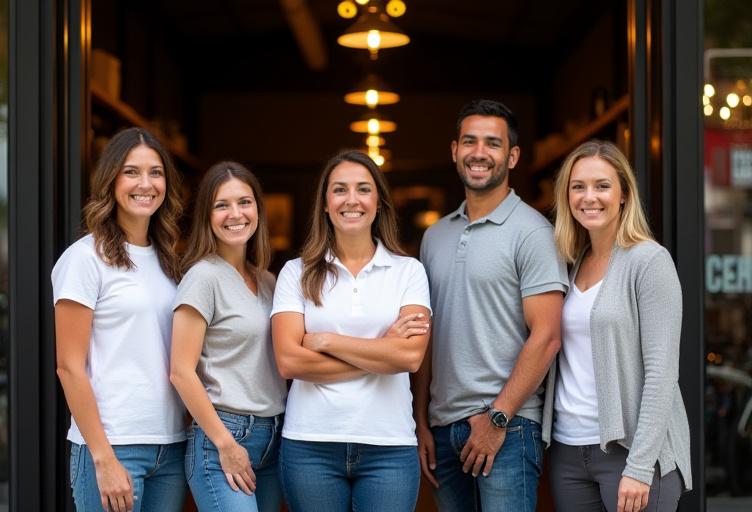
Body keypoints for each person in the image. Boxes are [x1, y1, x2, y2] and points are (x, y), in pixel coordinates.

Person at [413, 99, 569, 512]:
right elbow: (427, 337)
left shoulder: (533, 233)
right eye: (470, 141)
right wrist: (420, 420)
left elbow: (548, 336)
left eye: (492, 144)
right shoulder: (435, 236)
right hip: (442, 429)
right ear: (454, 150)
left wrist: (497, 419)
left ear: (512, 156)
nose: (479, 153)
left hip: (508, 427)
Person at [271, 150, 432, 512]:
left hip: (388, 445)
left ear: (379, 202)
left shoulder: (408, 272)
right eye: (339, 190)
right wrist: (381, 352)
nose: (352, 200)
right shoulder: (296, 272)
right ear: (325, 204)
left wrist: (327, 341)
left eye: (363, 189)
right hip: (310, 444)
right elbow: (288, 361)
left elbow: (410, 355)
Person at [547, 139, 692, 512]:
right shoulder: (571, 262)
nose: (588, 197)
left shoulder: (649, 261)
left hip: (629, 452)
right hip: (569, 451)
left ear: (624, 193)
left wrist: (641, 466)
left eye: (602, 185)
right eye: (578, 186)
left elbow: (662, 373)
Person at [52, 127, 186, 512]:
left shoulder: (169, 261)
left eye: (156, 172)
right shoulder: (84, 259)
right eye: (131, 172)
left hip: (171, 445)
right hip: (113, 447)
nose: (145, 184)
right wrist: (104, 457)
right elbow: (69, 367)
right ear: (110, 179)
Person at [169, 161, 287, 512]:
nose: (235, 214)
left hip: (274, 436)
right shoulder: (203, 277)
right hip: (225, 435)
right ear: (207, 215)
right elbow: (180, 370)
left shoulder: (267, 280)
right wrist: (225, 443)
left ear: (258, 210)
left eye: (244, 202)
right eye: (222, 205)